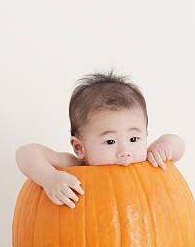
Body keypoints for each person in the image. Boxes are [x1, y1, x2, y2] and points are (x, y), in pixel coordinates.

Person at [15, 69, 186, 209]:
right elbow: (26, 153)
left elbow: (177, 144)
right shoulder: (76, 166)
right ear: (79, 148)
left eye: (134, 139)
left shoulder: (147, 160)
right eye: (110, 141)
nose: (125, 152)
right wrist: (49, 178)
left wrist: (164, 145)